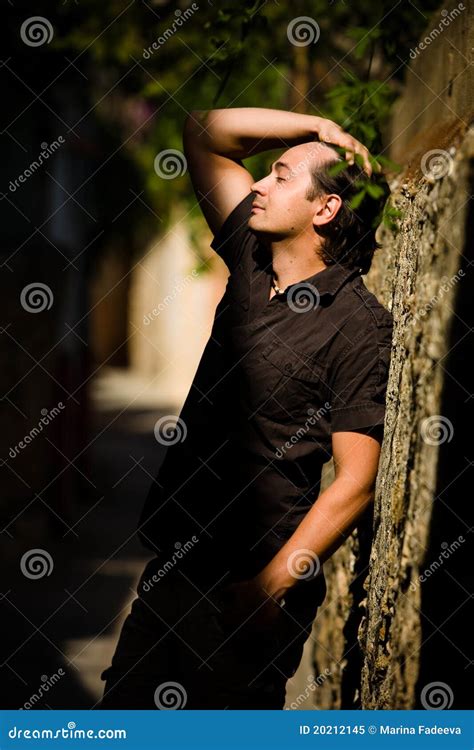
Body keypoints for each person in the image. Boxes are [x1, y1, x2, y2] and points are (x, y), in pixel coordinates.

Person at [99, 107, 393, 710]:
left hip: (246, 591)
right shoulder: (253, 263)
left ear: (325, 208)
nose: (259, 183)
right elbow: (204, 131)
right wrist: (317, 129)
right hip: (174, 569)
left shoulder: (359, 328)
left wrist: (269, 588)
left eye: (281, 176)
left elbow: (357, 481)